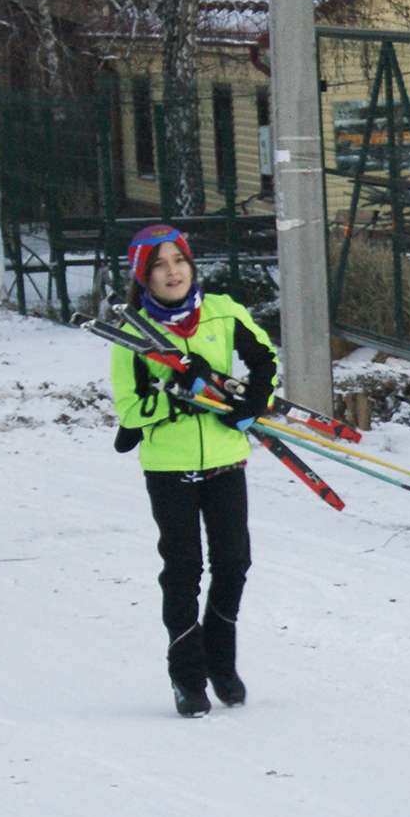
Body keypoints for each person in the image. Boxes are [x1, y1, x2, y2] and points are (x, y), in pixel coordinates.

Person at [109, 223, 277, 718]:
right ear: (144, 277)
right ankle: (187, 676)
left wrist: (252, 402)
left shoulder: (224, 312)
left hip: (226, 460)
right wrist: (178, 396)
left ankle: (221, 663)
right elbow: (129, 411)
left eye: (178, 260)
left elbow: (263, 358)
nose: (172, 272)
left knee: (233, 563)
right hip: (169, 467)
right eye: (158, 266)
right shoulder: (132, 334)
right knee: (183, 571)